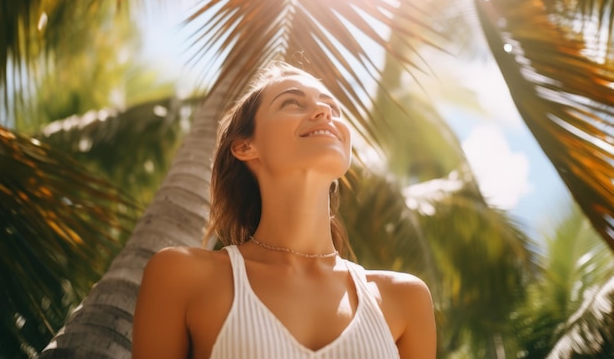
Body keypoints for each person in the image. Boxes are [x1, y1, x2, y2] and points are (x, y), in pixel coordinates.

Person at [131, 61, 437, 359]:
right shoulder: (181, 275)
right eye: (292, 103)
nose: (324, 112)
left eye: (333, 107)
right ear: (245, 147)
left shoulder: (405, 299)